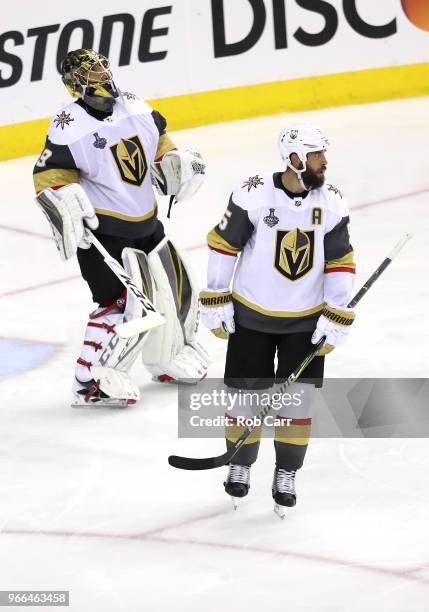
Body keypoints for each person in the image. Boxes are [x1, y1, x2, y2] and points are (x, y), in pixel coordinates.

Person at [33, 49, 209, 407]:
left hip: (148, 222)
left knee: (175, 291)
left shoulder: (134, 106)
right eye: (90, 70)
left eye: (101, 66)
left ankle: (167, 359)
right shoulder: (69, 124)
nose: (100, 73)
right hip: (104, 234)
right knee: (120, 305)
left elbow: (159, 142)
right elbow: (49, 175)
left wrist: (173, 160)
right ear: (74, 82)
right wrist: (61, 196)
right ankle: (90, 381)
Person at [199, 124, 356, 513]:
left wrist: (337, 311)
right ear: (295, 159)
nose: (324, 161)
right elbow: (223, 246)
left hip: (305, 323)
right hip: (251, 317)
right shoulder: (252, 194)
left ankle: (286, 471)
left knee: (298, 405)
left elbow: (340, 260)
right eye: (317, 154)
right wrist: (217, 296)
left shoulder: (333, 203)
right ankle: (239, 464)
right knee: (242, 398)